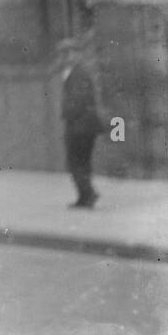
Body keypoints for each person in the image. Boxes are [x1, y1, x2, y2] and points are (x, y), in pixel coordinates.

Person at [59, 36, 104, 208]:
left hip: (79, 125)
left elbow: (78, 99)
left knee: (75, 161)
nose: (66, 57)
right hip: (84, 124)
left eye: (70, 53)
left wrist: (67, 115)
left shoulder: (78, 73)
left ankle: (88, 194)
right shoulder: (75, 72)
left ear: (77, 54)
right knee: (81, 161)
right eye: (64, 53)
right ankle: (84, 197)